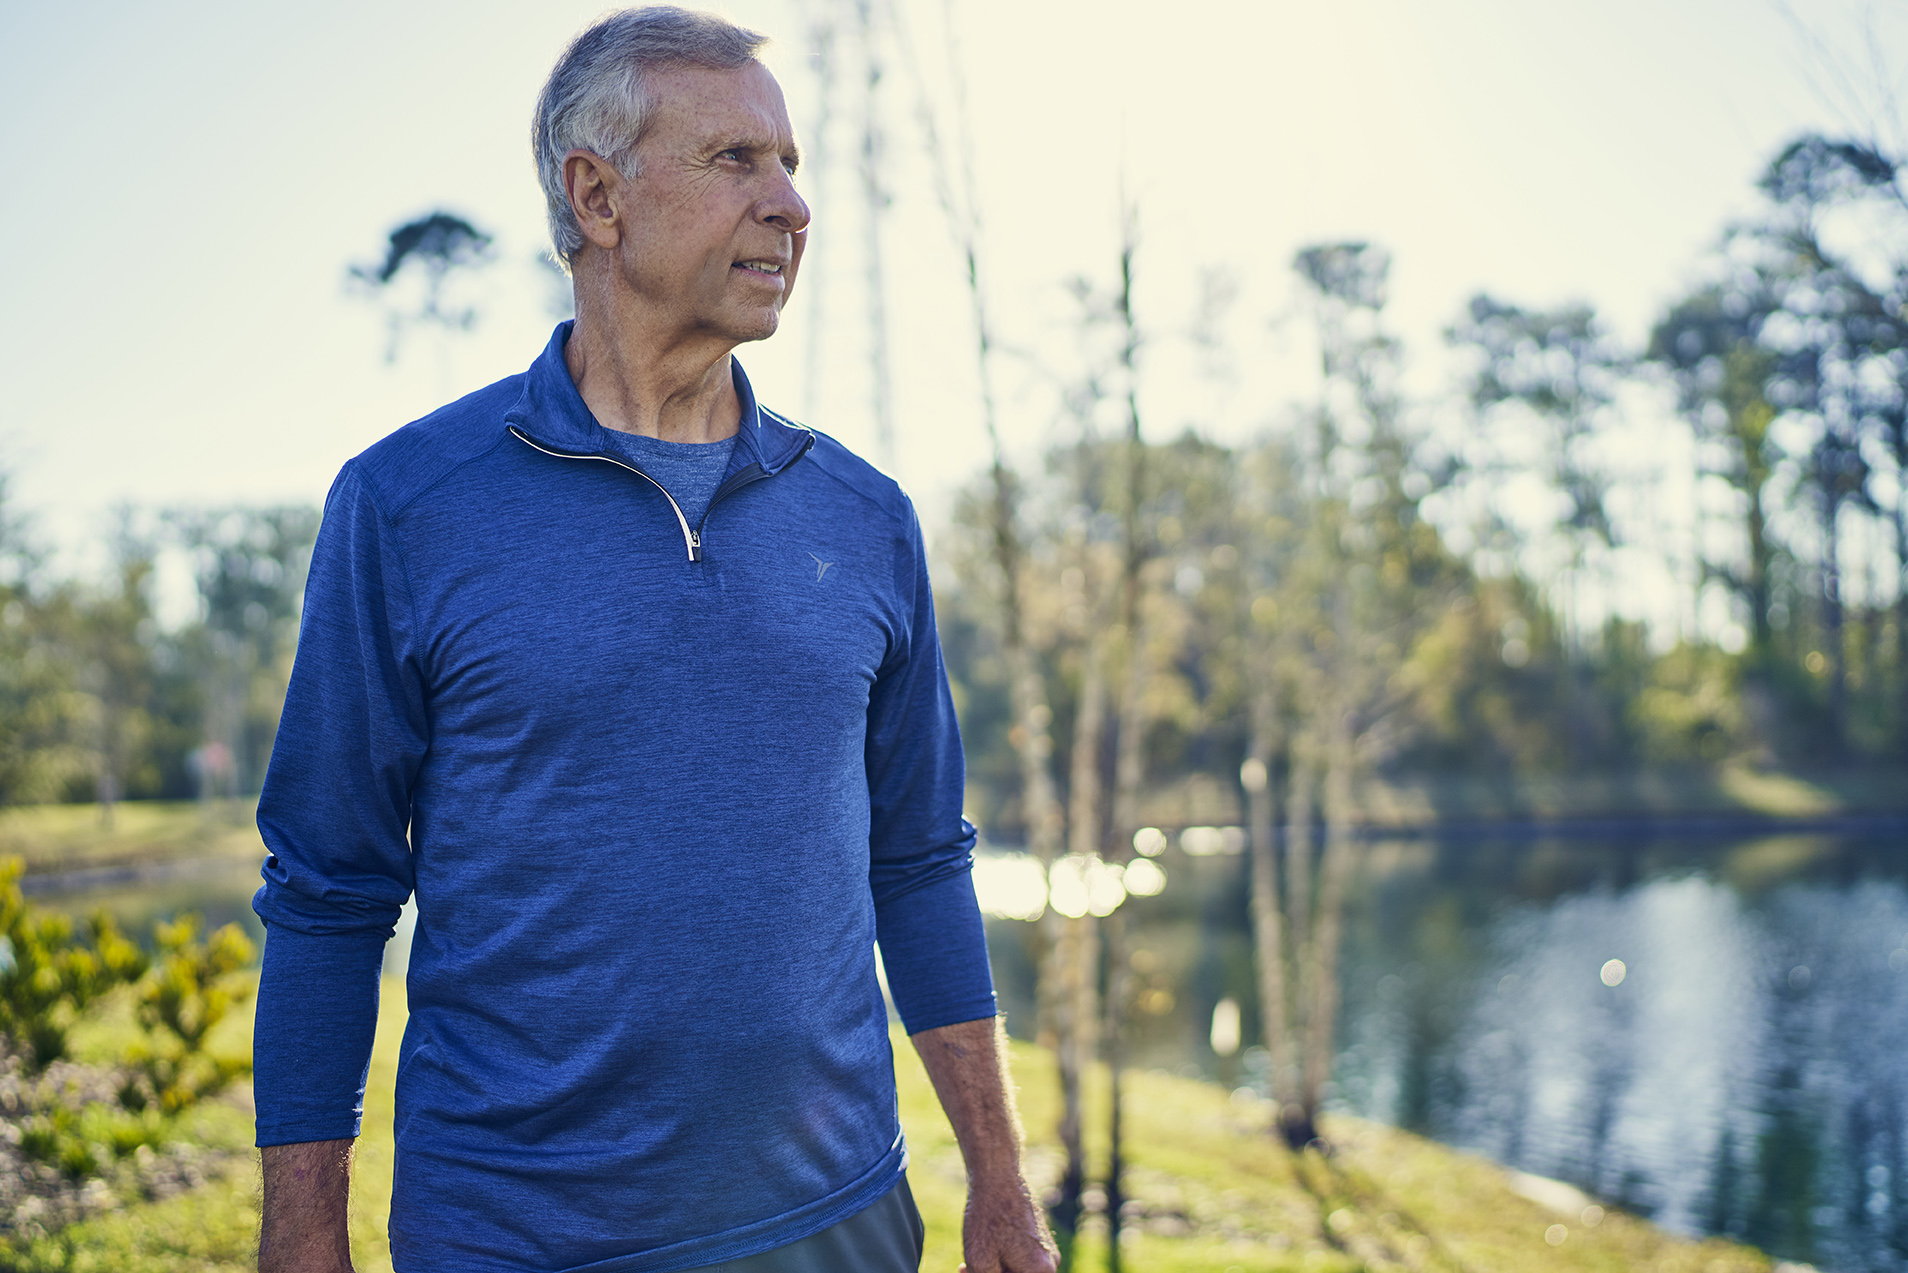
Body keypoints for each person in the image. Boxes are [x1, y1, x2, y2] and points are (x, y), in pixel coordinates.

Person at [250, 9, 1060, 1273]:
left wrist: (1000, 1180)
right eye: (737, 160)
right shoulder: (409, 505)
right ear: (598, 195)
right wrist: (302, 1242)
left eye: (792, 164)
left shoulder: (867, 515)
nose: (791, 205)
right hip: (518, 1239)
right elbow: (328, 894)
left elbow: (919, 861)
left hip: (838, 1222)